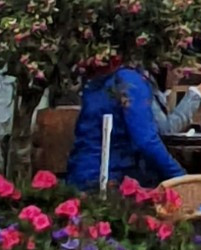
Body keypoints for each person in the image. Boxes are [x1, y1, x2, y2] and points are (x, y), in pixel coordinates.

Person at [67, 53, 184, 190]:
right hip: (110, 178)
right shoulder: (129, 81)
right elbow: (146, 140)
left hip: (81, 173)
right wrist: (180, 177)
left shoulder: (98, 79)